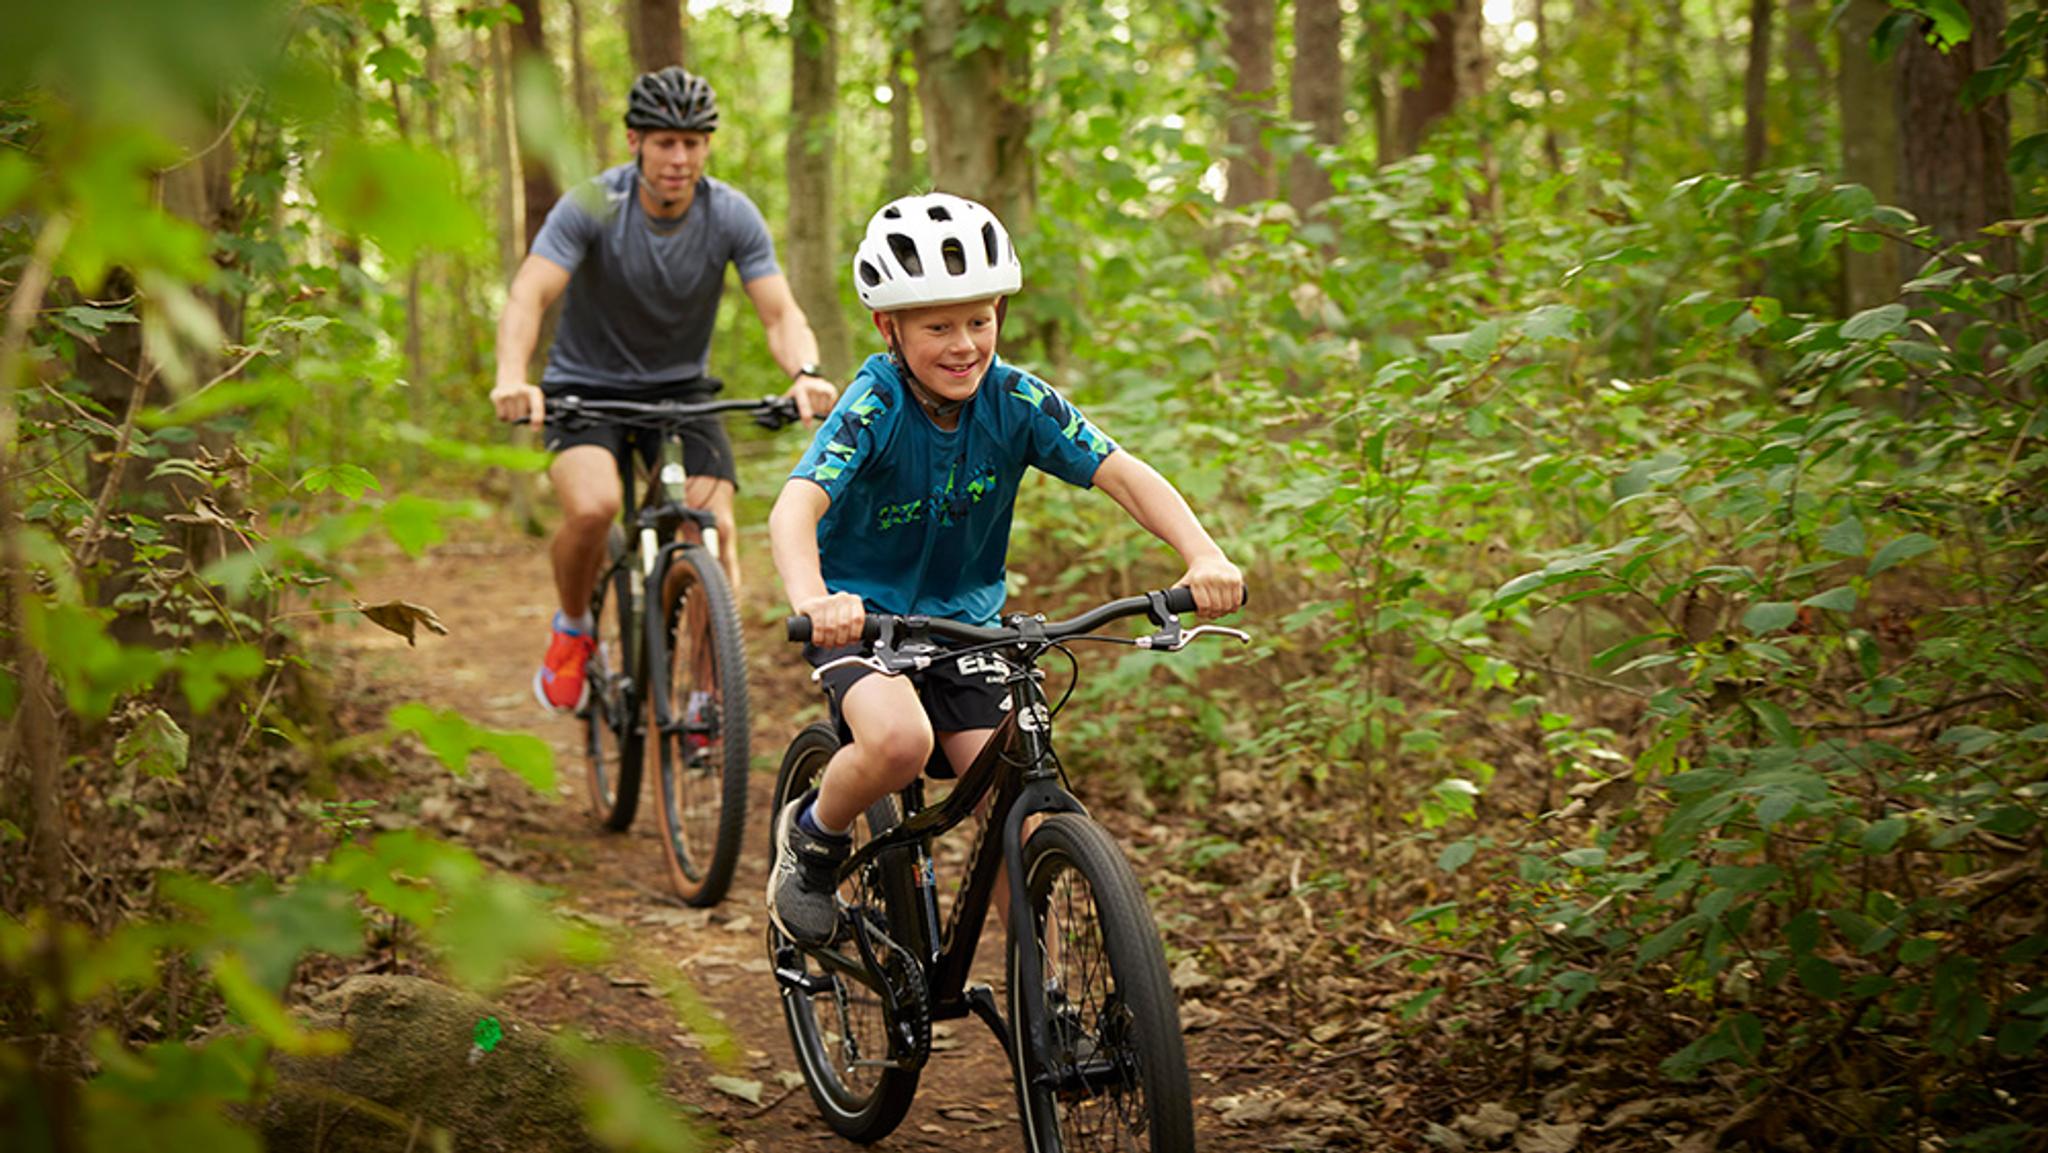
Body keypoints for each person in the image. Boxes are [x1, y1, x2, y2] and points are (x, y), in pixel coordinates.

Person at [764, 192, 1244, 946]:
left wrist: (1203, 552)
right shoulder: (872, 404)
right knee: (898, 744)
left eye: (979, 320)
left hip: (968, 624)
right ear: (887, 326)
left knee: (1019, 801)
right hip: (865, 617)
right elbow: (794, 508)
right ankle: (814, 838)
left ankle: (1041, 1001)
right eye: (937, 326)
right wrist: (815, 598)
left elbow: (1122, 472)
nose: (963, 345)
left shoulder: (1017, 399)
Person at [489, 66, 838, 716]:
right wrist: (512, 377)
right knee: (594, 509)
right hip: (585, 391)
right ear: (634, 142)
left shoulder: (730, 213)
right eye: (664, 142)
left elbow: (779, 313)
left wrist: (804, 372)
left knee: (715, 527)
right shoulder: (594, 205)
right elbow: (529, 292)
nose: (679, 157)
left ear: (707, 145)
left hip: (681, 393)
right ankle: (572, 626)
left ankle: (711, 689)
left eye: (692, 142)